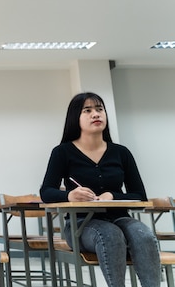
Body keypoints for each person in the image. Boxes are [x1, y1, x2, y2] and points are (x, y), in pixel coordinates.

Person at [40, 92, 160, 287]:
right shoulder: (62, 152)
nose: (95, 114)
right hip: (81, 224)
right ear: (75, 118)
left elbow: (139, 195)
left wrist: (113, 195)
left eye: (99, 109)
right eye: (87, 111)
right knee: (110, 234)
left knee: (143, 235)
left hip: (120, 218)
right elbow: (46, 192)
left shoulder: (121, 152)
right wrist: (70, 195)